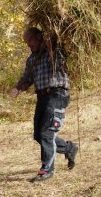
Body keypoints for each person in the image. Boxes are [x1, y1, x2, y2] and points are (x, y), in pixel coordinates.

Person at [11, 27, 78, 182]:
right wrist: (18, 88)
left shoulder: (53, 52)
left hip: (57, 94)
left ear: (39, 36)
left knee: (47, 133)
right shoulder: (31, 59)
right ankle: (69, 148)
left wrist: (51, 42)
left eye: (31, 40)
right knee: (38, 135)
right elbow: (27, 78)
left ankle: (47, 169)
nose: (29, 44)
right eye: (26, 42)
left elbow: (61, 55)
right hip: (42, 97)